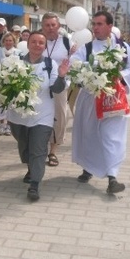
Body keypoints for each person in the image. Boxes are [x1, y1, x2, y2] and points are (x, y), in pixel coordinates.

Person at [70, 11, 130, 194]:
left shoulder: (122, 48)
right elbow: (75, 64)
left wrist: (118, 78)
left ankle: (112, 177)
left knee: (112, 137)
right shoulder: (87, 48)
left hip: (113, 100)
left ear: (110, 26)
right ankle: (88, 168)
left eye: (100, 24)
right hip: (91, 99)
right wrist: (93, 74)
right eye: (94, 24)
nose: (96, 27)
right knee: (90, 134)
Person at [8, 31, 68, 201]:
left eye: (41, 43)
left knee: (38, 150)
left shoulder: (50, 65)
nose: (37, 45)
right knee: (25, 146)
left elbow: (56, 89)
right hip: (18, 116)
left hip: (43, 115)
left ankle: (34, 184)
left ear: (44, 46)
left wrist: (62, 76)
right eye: (33, 42)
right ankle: (31, 168)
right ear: (27, 44)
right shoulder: (15, 61)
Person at [41, 12, 74, 167]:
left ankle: (53, 151)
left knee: (60, 116)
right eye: (47, 25)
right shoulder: (37, 41)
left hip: (59, 85)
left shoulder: (67, 43)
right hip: (39, 86)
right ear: (42, 27)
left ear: (58, 26)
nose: (50, 28)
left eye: (53, 25)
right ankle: (39, 147)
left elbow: (73, 64)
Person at [0, 32, 21, 136]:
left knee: (12, 103)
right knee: (1, 102)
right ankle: (1, 124)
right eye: (6, 40)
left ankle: (9, 125)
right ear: (3, 42)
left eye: (10, 40)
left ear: (14, 42)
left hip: (13, 81)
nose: (8, 42)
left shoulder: (18, 53)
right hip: (1, 80)